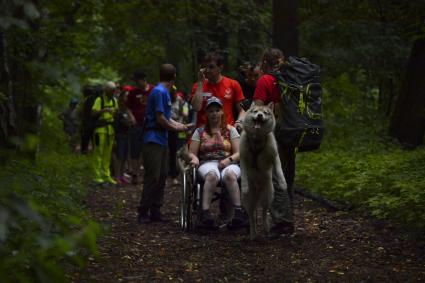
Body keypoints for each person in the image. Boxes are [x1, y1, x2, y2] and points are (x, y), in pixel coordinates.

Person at [137, 63, 189, 224]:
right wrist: (175, 127)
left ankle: (156, 210)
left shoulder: (164, 92)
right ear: (173, 77)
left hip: (162, 138)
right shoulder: (160, 92)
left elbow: (166, 117)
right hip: (153, 138)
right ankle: (143, 211)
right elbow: (160, 119)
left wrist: (179, 125)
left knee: (162, 175)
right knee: (153, 176)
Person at [253, 47, 295, 236]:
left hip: (275, 132)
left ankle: (282, 223)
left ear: (264, 63)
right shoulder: (292, 80)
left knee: (276, 177)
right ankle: (288, 217)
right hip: (292, 131)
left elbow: (258, 110)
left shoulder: (265, 80)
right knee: (287, 174)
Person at [187, 97, 246, 229]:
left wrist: (228, 160)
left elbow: (239, 153)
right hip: (207, 162)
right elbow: (191, 152)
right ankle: (205, 214)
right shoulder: (200, 131)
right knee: (212, 175)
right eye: (211, 111)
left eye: (217, 110)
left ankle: (238, 212)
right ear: (206, 114)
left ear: (222, 112)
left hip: (228, 162)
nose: (214, 113)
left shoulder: (231, 130)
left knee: (230, 175)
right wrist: (194, 158)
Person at [191, 51, 246, 130]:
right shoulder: (198, 86)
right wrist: (200, 83)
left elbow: (242, 110)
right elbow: (196, 108)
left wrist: (239, 122)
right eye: (205, 67)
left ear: (220, 68)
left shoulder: (233, 84)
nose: (207, 70)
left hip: (227, 133)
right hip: (203, 134)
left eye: (211, 67)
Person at [126, 69, 154, 184]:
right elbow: (127, 107)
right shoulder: (133, 92)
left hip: (150, 125)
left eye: (137, 81)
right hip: (137, 125)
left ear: (143, 80)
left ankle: (147, 174)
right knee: (135, 150)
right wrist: (131, 116)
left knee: (147, 150)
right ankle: (135, 174)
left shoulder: (153, 90)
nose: (136, 83)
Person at [91, 81, 118, 186]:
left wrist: (114, 113)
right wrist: (104, 110)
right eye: (111, 90)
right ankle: (97, 176)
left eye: (114, 90)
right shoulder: (99, 100)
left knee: (107, 154)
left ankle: (107, 176)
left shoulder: (115, 100)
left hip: (110, 130)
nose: (113, 92)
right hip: (100, 130)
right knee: (98, 153)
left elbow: (116, 113)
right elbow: (93, 113)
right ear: (106, 90)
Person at [113, 89, 136, 185]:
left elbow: (133, 122)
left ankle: (122, 176)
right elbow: (117, 123)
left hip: (127, 135)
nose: (127, 98)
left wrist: (129, 121)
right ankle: (117, 177)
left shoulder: (127, 110)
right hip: (119, 135)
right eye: (125, 96)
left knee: (125, 156)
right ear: (121, 98)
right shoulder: (117, 110)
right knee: (119, 156)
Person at [168, 86, 190, 186]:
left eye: (173, 91)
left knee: (182, 150)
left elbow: (185, 114)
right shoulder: (167, 100)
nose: (172, 93)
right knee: (172, 152)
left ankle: (185, 173)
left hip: (180, 128)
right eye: (170, 91)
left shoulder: (181, 101)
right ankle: (173, 175)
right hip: (169, 129)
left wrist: (183, 124)